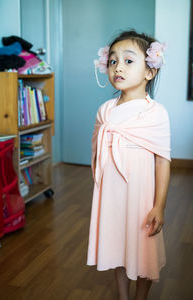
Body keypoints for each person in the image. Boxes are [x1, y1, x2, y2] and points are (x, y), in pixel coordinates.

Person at [86, 29, 171, 300]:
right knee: (118, 247)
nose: (118, 67)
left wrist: (159, 205)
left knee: (143, 250)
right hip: (112, 195)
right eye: (113, 61)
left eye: (128, 60)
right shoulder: (105, 111)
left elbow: (162, 162)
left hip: (141, 196)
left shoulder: (155, 113)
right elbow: (98, 153)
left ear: (150, 72)